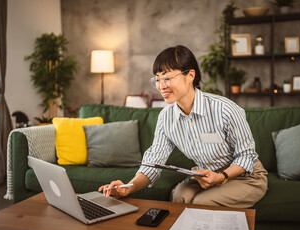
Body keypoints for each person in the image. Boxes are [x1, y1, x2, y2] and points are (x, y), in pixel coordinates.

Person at [98, 45, 268, 208]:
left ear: (190, 75)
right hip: (205, 175)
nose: (161, 86)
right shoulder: (166, 117)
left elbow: (246, 156)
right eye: (157, 79)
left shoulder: (225, 109)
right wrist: (129, 187)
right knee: (179, 196)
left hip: (245, 177)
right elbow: (153, 160)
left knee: (202, 203)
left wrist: (221, 177)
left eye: (167, 78)